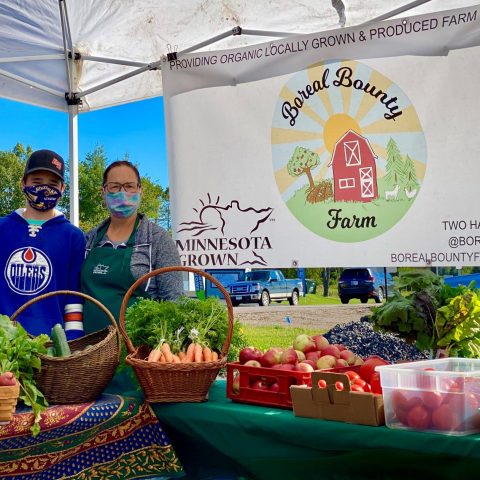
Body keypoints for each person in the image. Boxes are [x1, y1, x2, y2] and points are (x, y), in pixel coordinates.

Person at [80, 160, 183, 334]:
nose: (122, 193)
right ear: (103, 191)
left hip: (139, 353)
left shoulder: (158, 240)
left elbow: (174, 301)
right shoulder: (88, 240)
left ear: (140, 190)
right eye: (114, 187)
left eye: (129, 186)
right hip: (91, 352)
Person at [0, 149, 86, 339]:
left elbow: (73, 296)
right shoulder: (2, 228)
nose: (44, 189)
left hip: (51, 346)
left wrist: (72, 341)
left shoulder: (74, 236)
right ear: (23, 183)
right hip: (3, 341)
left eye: (53, 184)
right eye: (37, 182)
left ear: (63, 189)